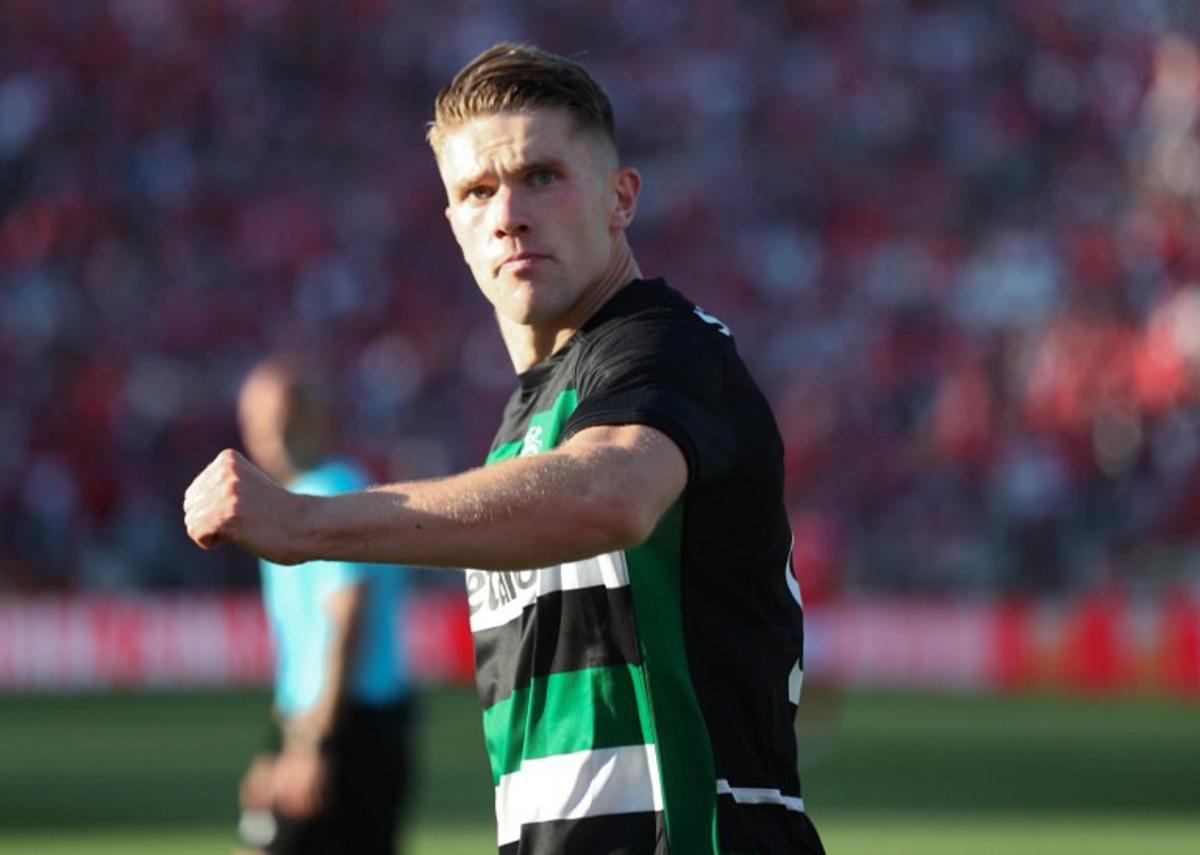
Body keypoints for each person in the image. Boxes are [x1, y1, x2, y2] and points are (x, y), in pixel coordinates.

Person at [185, 43, 823, 854]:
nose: (508, 213)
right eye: (476, 190)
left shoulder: (665, 349)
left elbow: (611, 492)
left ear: (620, 198)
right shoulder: (526, 422)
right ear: (453, 225)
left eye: (542, 177)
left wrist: (308, 525)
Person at [231, 357, 415, 855]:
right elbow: (301, 654)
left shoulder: (329, 492)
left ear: (315, 420)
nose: (270, 438)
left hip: (351, 725)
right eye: (260, 424)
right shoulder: (295, 500)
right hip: (324, 724)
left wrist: (315, 746)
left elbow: (344, 622)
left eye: (283, 421)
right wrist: (275, 746)